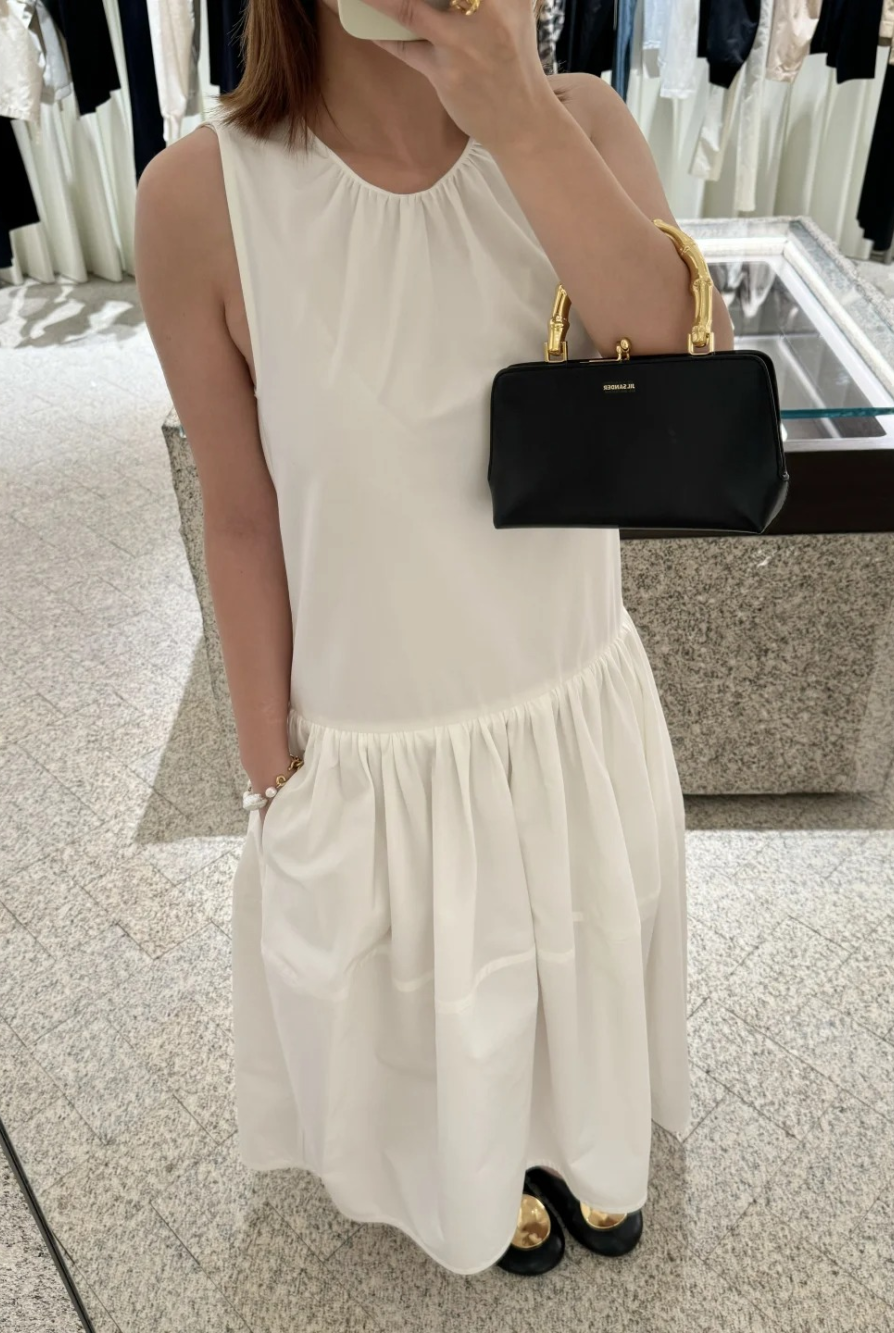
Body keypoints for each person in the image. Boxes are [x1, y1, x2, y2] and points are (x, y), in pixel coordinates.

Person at [135, 0, 735, 1280]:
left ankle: (580, 1133)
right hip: (377, 723)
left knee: (580, 928)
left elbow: (690, 370)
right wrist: (270, 776)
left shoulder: (579, 125)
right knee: (435, 980)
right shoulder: (202, 198)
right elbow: (240, 516)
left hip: (566, 688)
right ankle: (484, 1163)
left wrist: (517, 119)